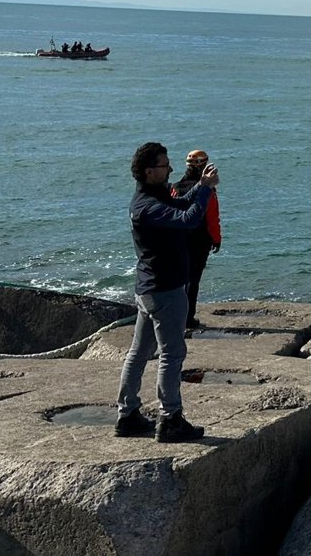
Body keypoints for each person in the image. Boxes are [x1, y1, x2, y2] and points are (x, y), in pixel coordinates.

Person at [116, 141, 218, 442]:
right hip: (165, 291)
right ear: (150, 171)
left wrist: (200, 186)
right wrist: (207, 190)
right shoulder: (147, 206)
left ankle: (128, 415)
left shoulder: (152, 198)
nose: (171, 169)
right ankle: (170, 418)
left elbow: (181, 205)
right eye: (164, 165)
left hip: (149, 290)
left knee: (138, 353)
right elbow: (188, 219)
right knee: (172, 354)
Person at [174, 150, 223, 331]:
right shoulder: (207, 190)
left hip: (178, 239)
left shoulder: (175, 187)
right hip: (199, 241)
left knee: (178, 280)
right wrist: (216, 239)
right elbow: (212, 217)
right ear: (204, 166)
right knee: (193, 281)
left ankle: (175, 316)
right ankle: (188, 319)